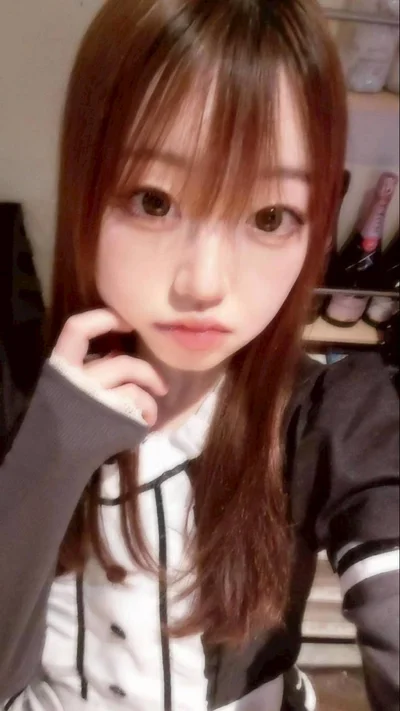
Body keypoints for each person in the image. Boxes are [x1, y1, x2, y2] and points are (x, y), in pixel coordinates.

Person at [0, 0, 398, 709]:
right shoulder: (19, 387)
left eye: (270, 216)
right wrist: (48, 461)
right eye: (154, 201)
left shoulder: (330, 413)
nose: (204, 284)